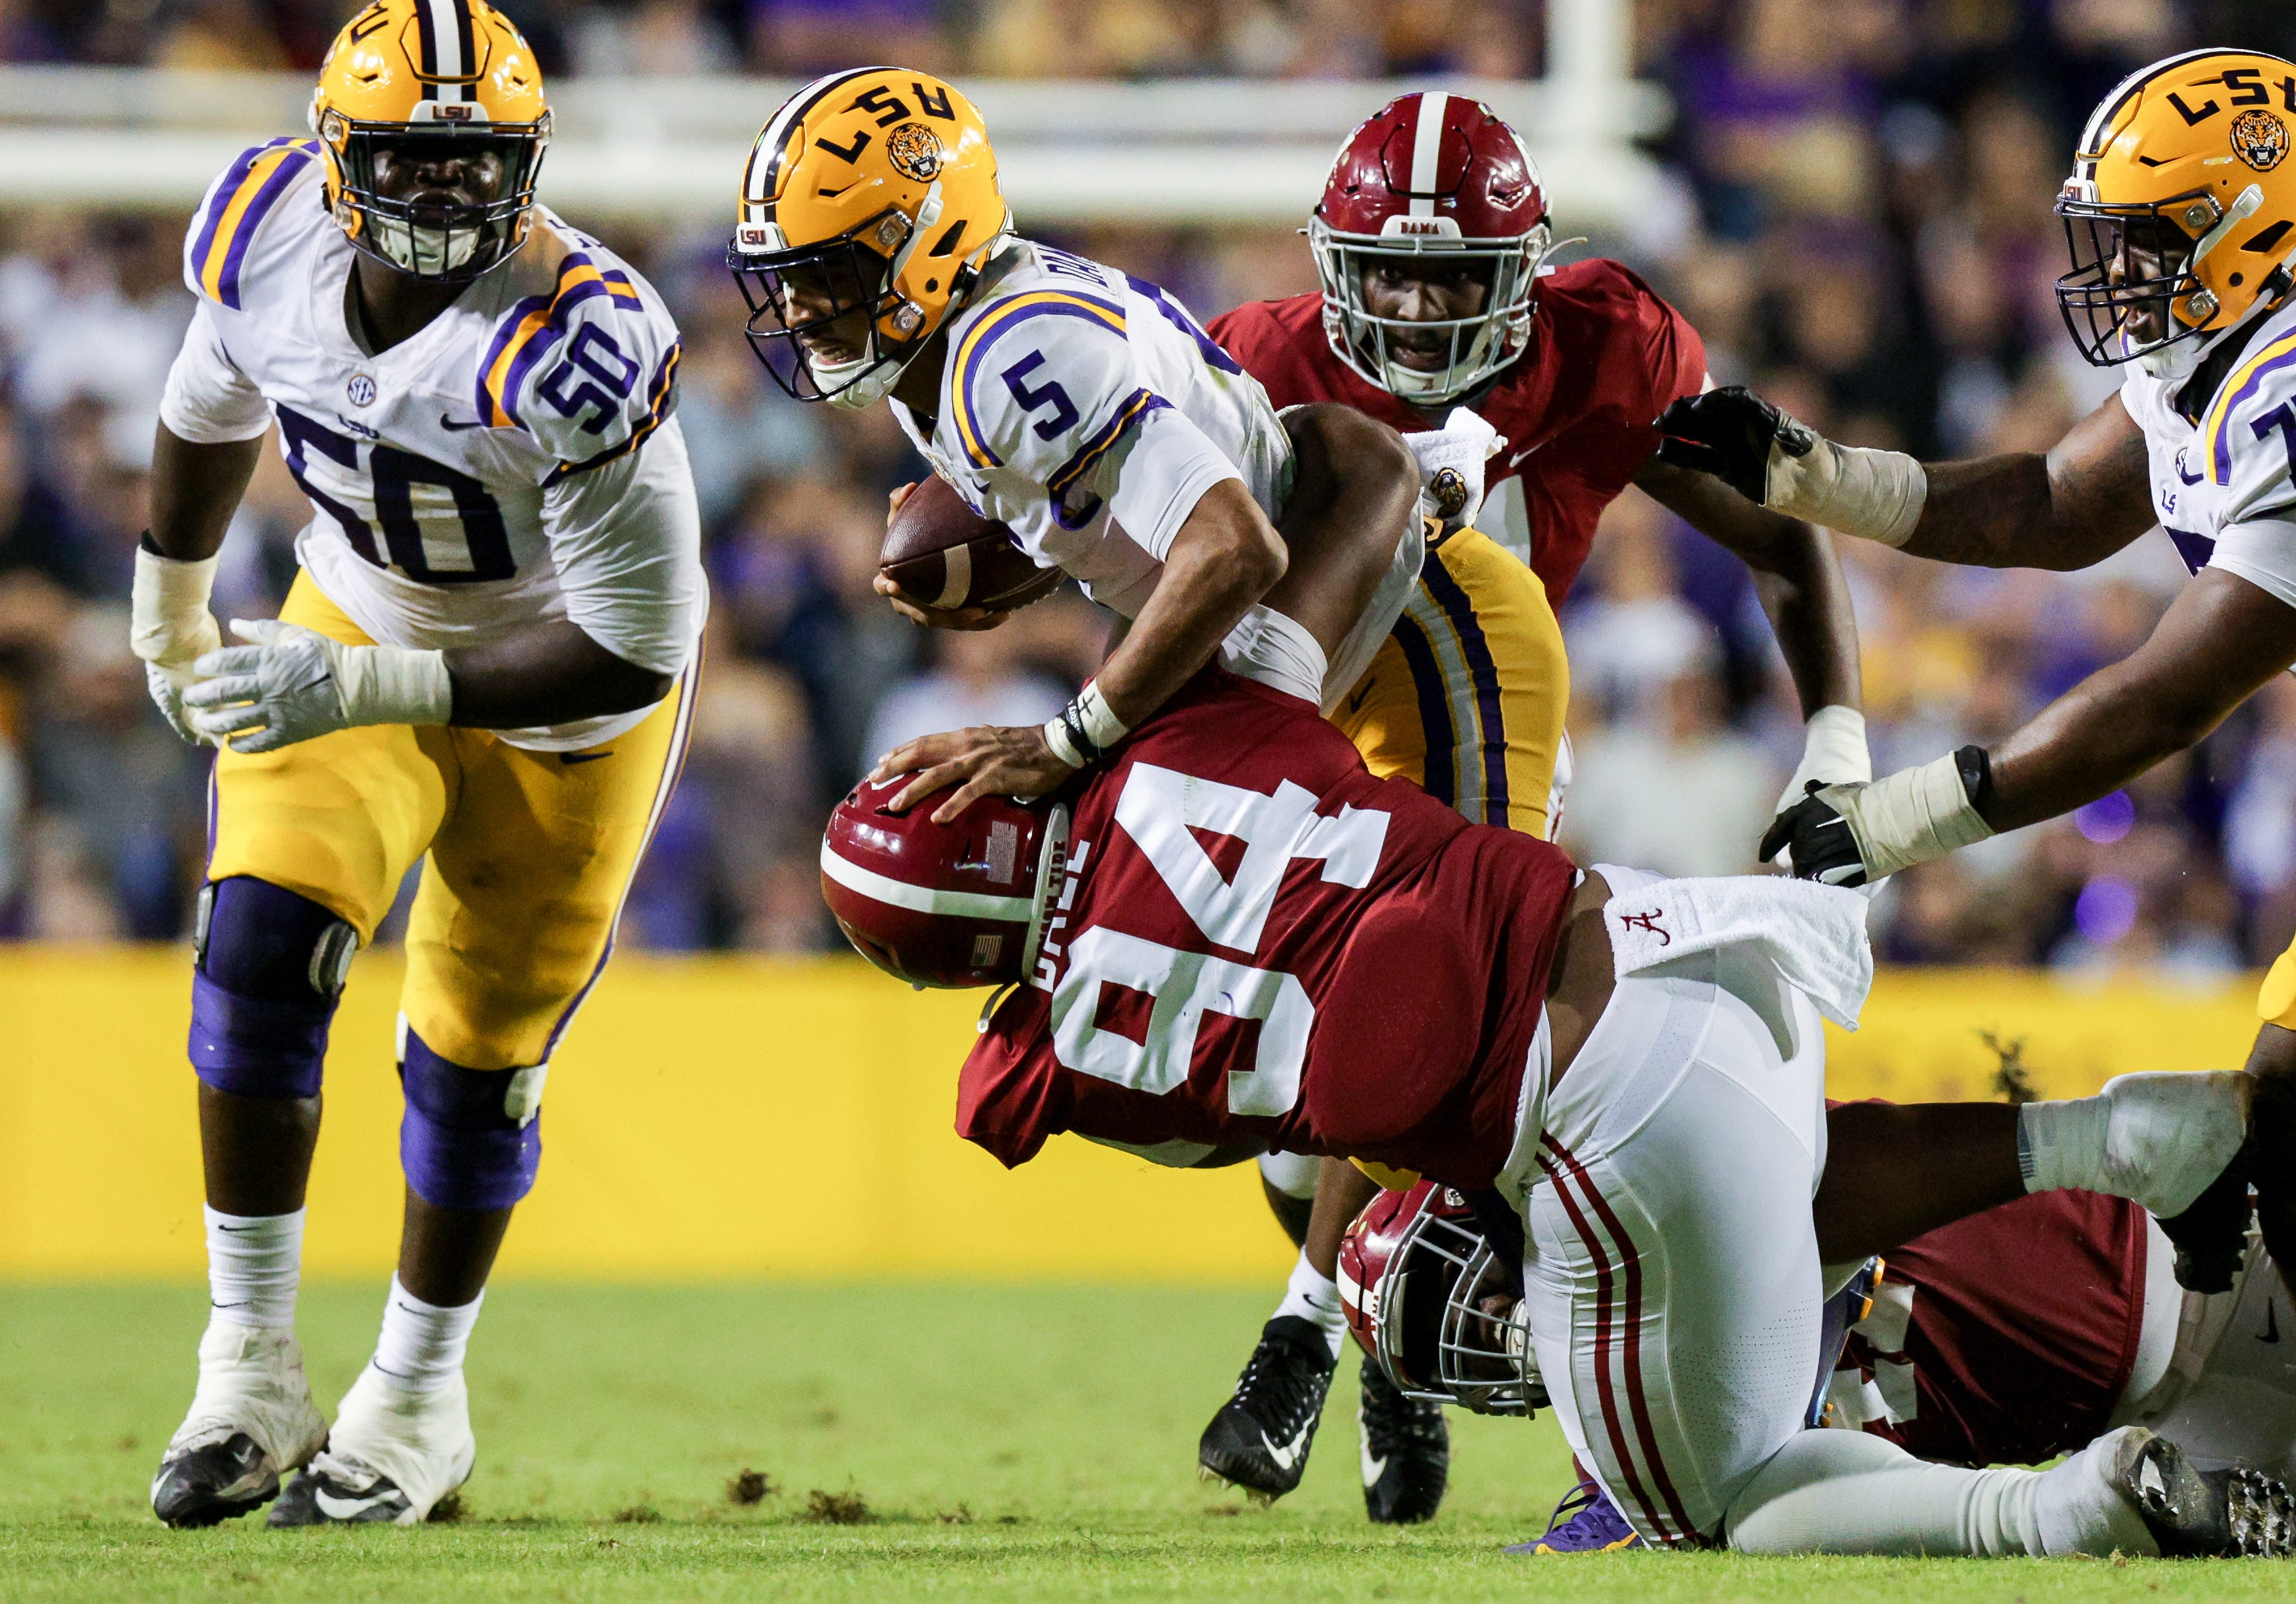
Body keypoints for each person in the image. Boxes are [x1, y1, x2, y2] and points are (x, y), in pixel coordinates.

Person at [823, 656, 2296, 1556]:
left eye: (1466, 1309)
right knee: (1790, 1193)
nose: (1486, 1336)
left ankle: (2068, 1513)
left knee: (1707, 1504)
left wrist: (1322, 1300)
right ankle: (2109, 1137)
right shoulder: (1195, 728)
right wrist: (1091, 720)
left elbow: (1260, 1109)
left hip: (1599, 1112)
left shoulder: (1034, 1064)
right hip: (1689, 937)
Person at [1656, 48, 2296, 1550]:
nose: (2114, 272)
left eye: (2148, 236)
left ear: (2254, 227)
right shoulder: (2245, 321)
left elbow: (2163, 698)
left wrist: (1897, 822)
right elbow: (2055, 504)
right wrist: (1811, 476)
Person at [1198, 90, 1866, 1516]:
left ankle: (1307, 1329)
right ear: (1332, 263)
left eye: (1453, 276)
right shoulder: (1257, 359)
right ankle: (1370, 1307)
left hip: (1493, 700)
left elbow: (1783, 540)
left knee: (1417, 999)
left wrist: (1836, 730)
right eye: (1390, 274)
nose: (1418, 308)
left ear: (1521, 271)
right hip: (1299, 716)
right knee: (1298, 1110)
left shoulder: (1602, 351)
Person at [138, 1, 702, 1527]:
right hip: (363, 608)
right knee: (260, 941)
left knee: (472, 1063)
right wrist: (166, 600)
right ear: (337, 154)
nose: (449, 189)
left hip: (564, 703)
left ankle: (412, 1398)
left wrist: (362, 682)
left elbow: (637, 645)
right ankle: (247, 1366)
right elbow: (207, 398)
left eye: (479, 161)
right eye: (412, 157)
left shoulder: (581, 339)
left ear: (530, 162)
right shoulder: (264, 229)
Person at [724, 67, 1425, 844]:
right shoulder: (933, 345)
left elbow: (1234, 547)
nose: (797, 309)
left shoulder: (1012, 355)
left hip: (1375, 611)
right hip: (1269, 611)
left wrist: (1062, 740)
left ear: (927, 237)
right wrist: (1009, 556)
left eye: (826, 272)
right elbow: (1105, 509)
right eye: (785, 278)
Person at [1347, 1104, 2296, 1552]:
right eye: (1433, 1346)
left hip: (2193, 1259)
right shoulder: (1630, 1446)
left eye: (1447, 1294)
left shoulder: (1649, 1183)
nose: (1475, 1331)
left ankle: (2070, 1510)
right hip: (2170, 1432)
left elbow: (1788, 1253)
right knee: (1742, 1518)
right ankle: (2082, 1507)